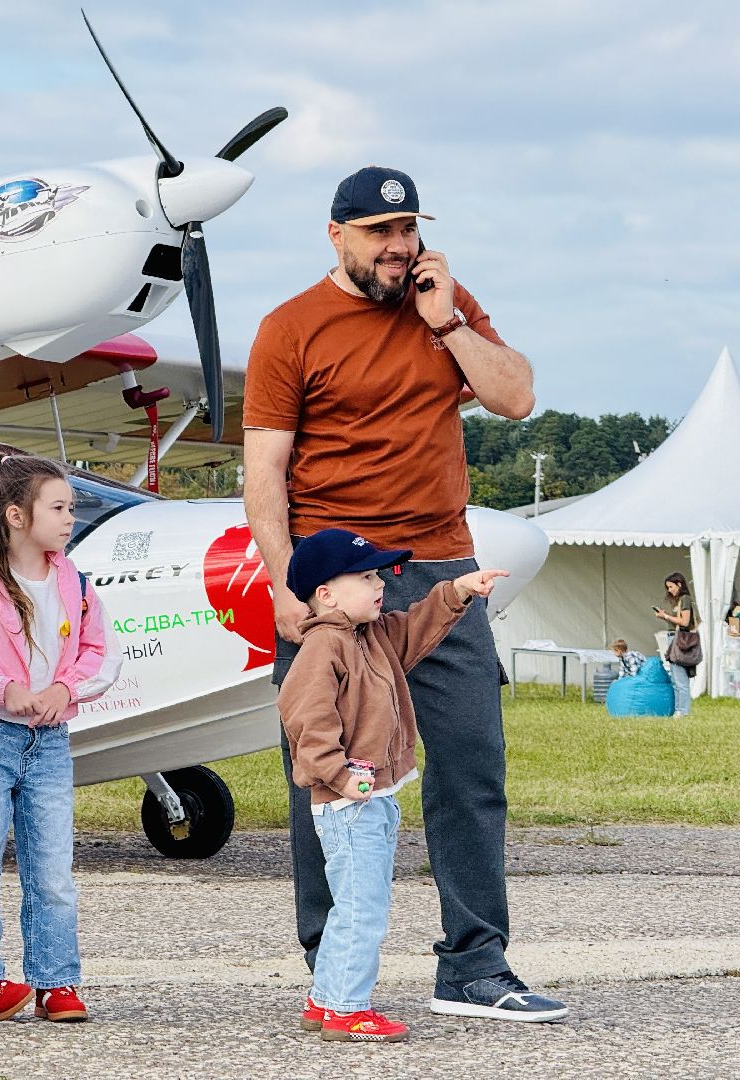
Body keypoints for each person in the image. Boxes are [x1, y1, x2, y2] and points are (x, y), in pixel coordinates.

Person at [244, 165, 566, 1023]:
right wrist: (286, 583)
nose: (398, 247)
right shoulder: (290, 328)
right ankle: (331, 972)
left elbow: (518, 397)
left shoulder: (447, 305)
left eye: (408, 229)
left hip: (440, 569)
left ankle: (474, 967)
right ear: (336, 234)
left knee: (469, 764)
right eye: (379, 233)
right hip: (337, 581)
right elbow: (265, 471)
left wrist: (449, 320)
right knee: (327, 776)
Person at [279, 529, 520, 1042]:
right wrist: (340, 776)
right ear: (326, 593)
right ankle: (348, 1009)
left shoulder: (372, 636)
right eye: (365, 577)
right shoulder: (323, 646)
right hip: (349, 803)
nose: (380, 584)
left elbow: (418, 626)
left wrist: (458, 590)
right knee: (362, 910)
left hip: (372, 799)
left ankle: (324, 1000)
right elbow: (304, 717)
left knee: (354, 904)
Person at [0, 454, 121, 1025]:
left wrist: (64, 690)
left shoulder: (77, 583)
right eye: (60, 507)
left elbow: (102, 654)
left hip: (48, 744)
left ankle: (57, 982)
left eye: (72, 507)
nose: (71, 517)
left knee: (52, 869)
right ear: (16, 515)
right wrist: (4, 687)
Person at [654, 572, 698, 716]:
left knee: (680, 679)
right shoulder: (680, 601)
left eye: (671, 586)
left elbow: (685, 622)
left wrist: (666, 616)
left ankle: (682, 711)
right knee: (676, 678)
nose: (669, 590)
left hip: (679, 640)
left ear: (679, 584)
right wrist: (666, 617)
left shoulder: (685, 599)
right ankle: (679, 710)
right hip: (675, 638)